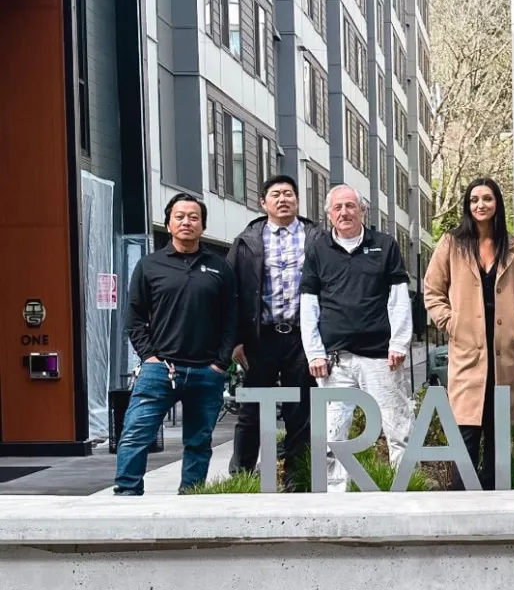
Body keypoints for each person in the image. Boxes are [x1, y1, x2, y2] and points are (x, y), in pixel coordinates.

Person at [114, 193, 237, 495]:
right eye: (179, 216)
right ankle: (126, 497)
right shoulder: (149, 265)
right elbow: (135, 317)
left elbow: (232, 319)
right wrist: (149, 357)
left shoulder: (220, 268)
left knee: (198, 442)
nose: (186, 222)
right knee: (135, 435)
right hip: (160, 371)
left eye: (193, 217)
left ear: (202, 226)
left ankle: (191, 501)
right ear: (168, 224)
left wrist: (220, 362)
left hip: (207, 372)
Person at [423, 177, 514, 490]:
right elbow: (432, 291)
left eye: (487, 199)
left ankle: (495, 513)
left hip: (504, 356)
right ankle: (460, 511)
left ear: (497, 203)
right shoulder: (451, 243)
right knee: (466, 435)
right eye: (474, 200)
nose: (480, 205)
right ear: (467, 205)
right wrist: (451, 322)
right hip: (467, 355)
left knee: (498, 440)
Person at [299, 184, 413, 493]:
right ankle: (336, 500)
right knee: (334, 433)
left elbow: (398, 297)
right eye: (338, 208)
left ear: (363, 211)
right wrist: (314, 353)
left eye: (351, 206)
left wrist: (399, 343)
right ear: (328, 215)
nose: (345, 212)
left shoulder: (385, 245)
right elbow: (309, 304)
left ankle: (404, 490)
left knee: (397, 426)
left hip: (380, 357)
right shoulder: (318, 249)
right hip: (335, 361)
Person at [226, 174, 318, 490]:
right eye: (276, 194)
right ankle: (241, 479)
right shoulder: (246, 241)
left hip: (301, 339)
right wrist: (235, 340)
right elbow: (232, 292)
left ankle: (297, 481)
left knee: (301, 412)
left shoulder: (316, 237)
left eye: (289, 193)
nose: (283, 199)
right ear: (263, 202)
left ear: (297, 200)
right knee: (250, 410)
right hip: (259, 338)